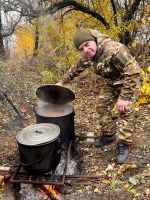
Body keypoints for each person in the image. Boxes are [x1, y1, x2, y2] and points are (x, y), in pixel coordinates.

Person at [57, 29, 142, 164]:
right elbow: (74, 69)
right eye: (81, 48)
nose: (86, 49)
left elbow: (134, 72)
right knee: (101, 106)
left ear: (94, 40)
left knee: (124, 110)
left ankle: (124, 143)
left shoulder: (114, 50)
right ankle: (109, 136)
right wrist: (61, 83)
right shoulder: (87, 56)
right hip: (111, 82)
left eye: (87, 44)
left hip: (129, 82)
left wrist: (124, 98)